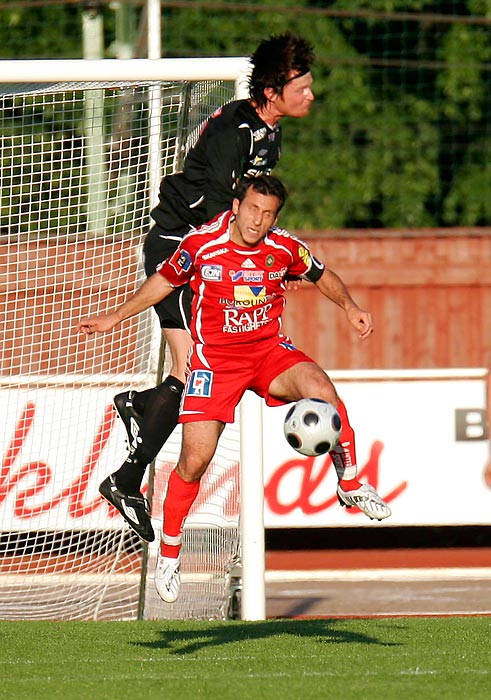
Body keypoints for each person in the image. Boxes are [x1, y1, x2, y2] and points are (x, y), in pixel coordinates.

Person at [78, 174, 392, 604]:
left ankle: (351, 482)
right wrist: (115, 317)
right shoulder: (201, 244)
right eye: (252, 210)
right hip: (215, 365)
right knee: (194, 460)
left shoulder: (283, 247)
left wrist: (351, 306)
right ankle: (169, 553)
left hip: (268, 353)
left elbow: (322, 275)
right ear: (236, 205)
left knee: (323, 390)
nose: (257, 221)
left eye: (267, 214)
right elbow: (165, 282)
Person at [96, 32, 316, 543]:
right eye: (301, 87)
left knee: (189, 369)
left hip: (197, 252)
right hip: (180, 249)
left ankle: (137, 424)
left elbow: (247, 221)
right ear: (272, 89)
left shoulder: (267, 132)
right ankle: (127, 473)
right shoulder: (233, 134)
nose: (310, 95)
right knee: (196, 368)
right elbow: (221, 219)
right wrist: (261, 266)